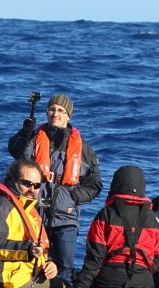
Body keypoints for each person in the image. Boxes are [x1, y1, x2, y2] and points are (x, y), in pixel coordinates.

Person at [6, 92, 101, 272]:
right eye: (51, 109)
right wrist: (24, 134)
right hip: (34, 213)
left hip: (66, 217)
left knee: (65, 266)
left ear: (68, 116)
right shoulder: (33, 139)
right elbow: (15, 152)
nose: (55, 114)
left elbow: (94, 184)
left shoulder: (83, 149)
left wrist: (72, 197)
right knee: (31, 263)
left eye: (60, 110)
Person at [72, 165, 159, 288]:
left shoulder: (105, 215)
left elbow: (95, 258)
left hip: (109, 282)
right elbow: (157, 257)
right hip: (142, 284)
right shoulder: (154, 220)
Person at [0, 158, 58, 288]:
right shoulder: (1, 206)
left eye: (36, 185)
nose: (32, 189)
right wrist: (28, 249)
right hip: (1, 283)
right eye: (27, 183)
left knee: (61, 282)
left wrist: (49, 263)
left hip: (21, 275)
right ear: (13, 180)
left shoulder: (27, 208)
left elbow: (38, 246)